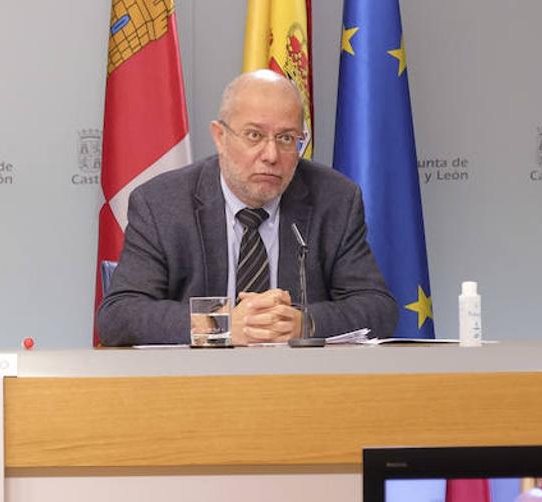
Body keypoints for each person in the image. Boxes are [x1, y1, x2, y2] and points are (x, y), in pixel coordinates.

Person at [96, 70, 397, 346]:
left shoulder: (335, 199)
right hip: (196, 388)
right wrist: (221, 324)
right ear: (220, 137)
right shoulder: (162, 203)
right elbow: (119, 315)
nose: (271, 155)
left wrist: (305, 323)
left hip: (302, 388)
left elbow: (377, 309)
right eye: (254, 135)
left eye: (286, 138)